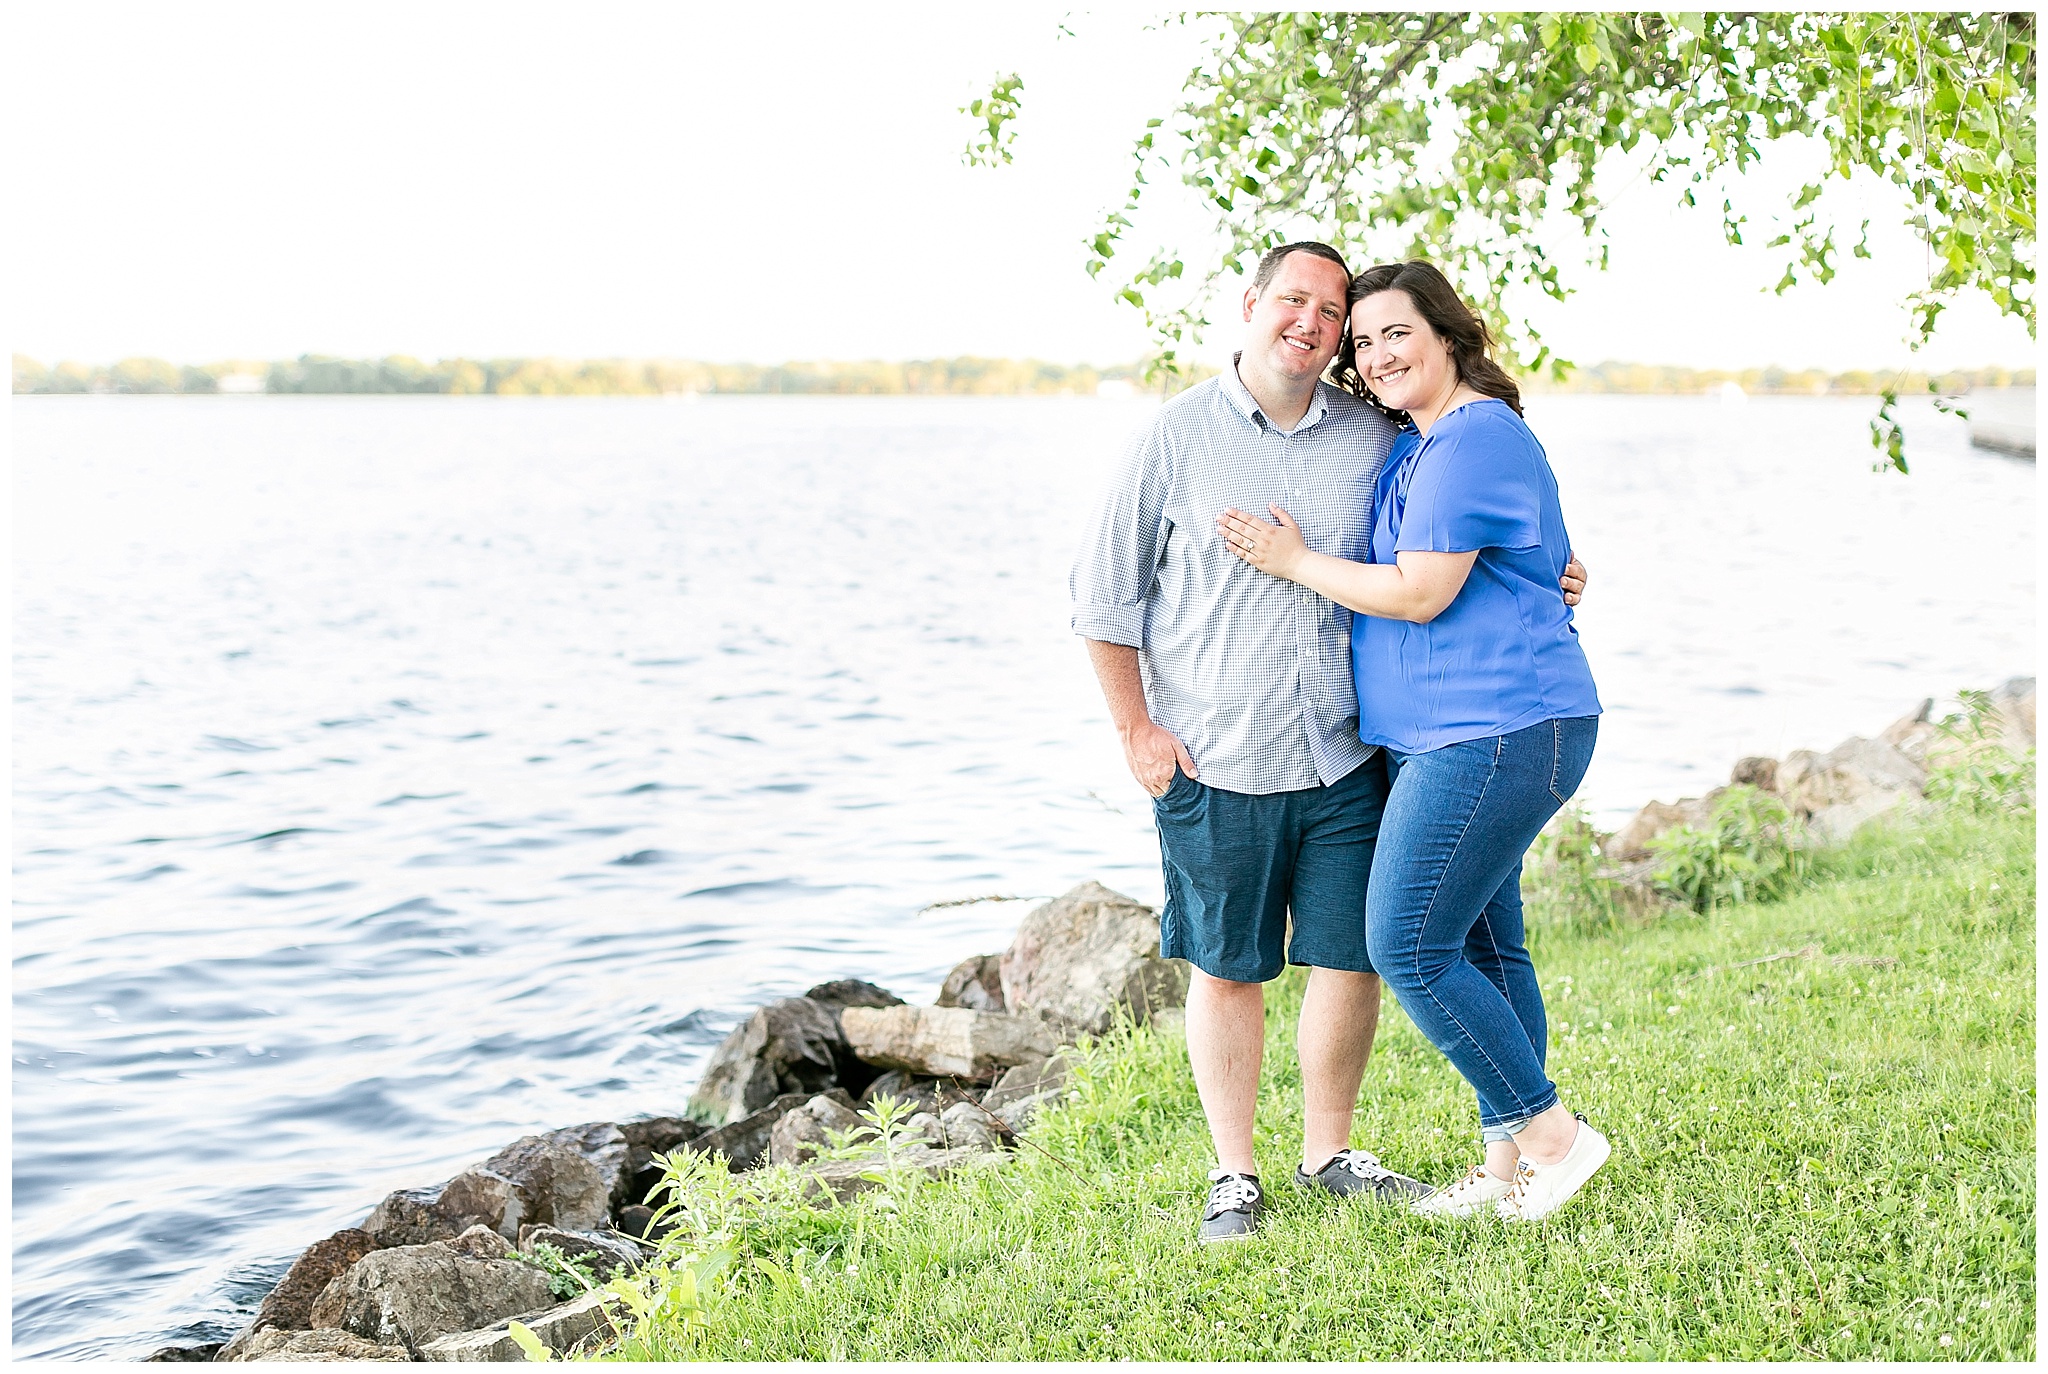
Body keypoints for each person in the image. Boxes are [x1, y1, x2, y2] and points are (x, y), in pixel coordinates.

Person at [1070, 242, 1587, 1242]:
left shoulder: (1375, 430)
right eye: (1294, 302)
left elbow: (1460, 503)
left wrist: (1549, 570)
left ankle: (1328, 1153)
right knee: (1226, 967)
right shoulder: (1172, 437)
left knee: (1353, 957)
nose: (1312, 322)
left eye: (1333, 309)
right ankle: (1233, 1174)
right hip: (1215, 753)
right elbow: (1104, 596)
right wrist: (1134, 729)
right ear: (1252, 306)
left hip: (1347, 752)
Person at [1215, 258, 1607, 1223]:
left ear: (1447, 333)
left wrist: (1296, 562)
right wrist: (1557, 571)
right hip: (1455, 733)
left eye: (1397, 332)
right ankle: (1508, 1168)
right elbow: (1526, 556)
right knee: (1487, 943)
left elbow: (1424, 592)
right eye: (1365, 342)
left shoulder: (1472, 437)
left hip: (1499, 728)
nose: (1378, 354)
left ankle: (1554, 1138)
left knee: (1406, 942)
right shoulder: (1420, 440)